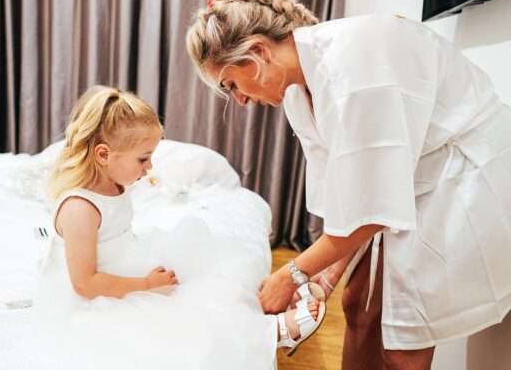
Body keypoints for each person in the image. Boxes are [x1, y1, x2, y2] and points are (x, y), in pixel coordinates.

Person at [186, 0, 511, 369]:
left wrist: (290, 275)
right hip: (407, 181)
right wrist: (322, 274)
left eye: (231, 84)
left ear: (257, 52)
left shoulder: (353, 67)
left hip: (460, 180)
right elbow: (348, 198)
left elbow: (371, 209)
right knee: (357, 304)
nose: (239, 100)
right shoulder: (297, 91)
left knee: (405, 345)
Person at [29, 85, 325, 369]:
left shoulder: (114, 185)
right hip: (95, 295)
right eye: (143, 159)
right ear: (103, 155)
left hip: (124, 267)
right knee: (178, 325)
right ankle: (272, 333)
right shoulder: (79, 209)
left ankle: (258, 312)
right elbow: (85, 284)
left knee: (209, 280)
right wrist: (144, 286)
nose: (149, 167)